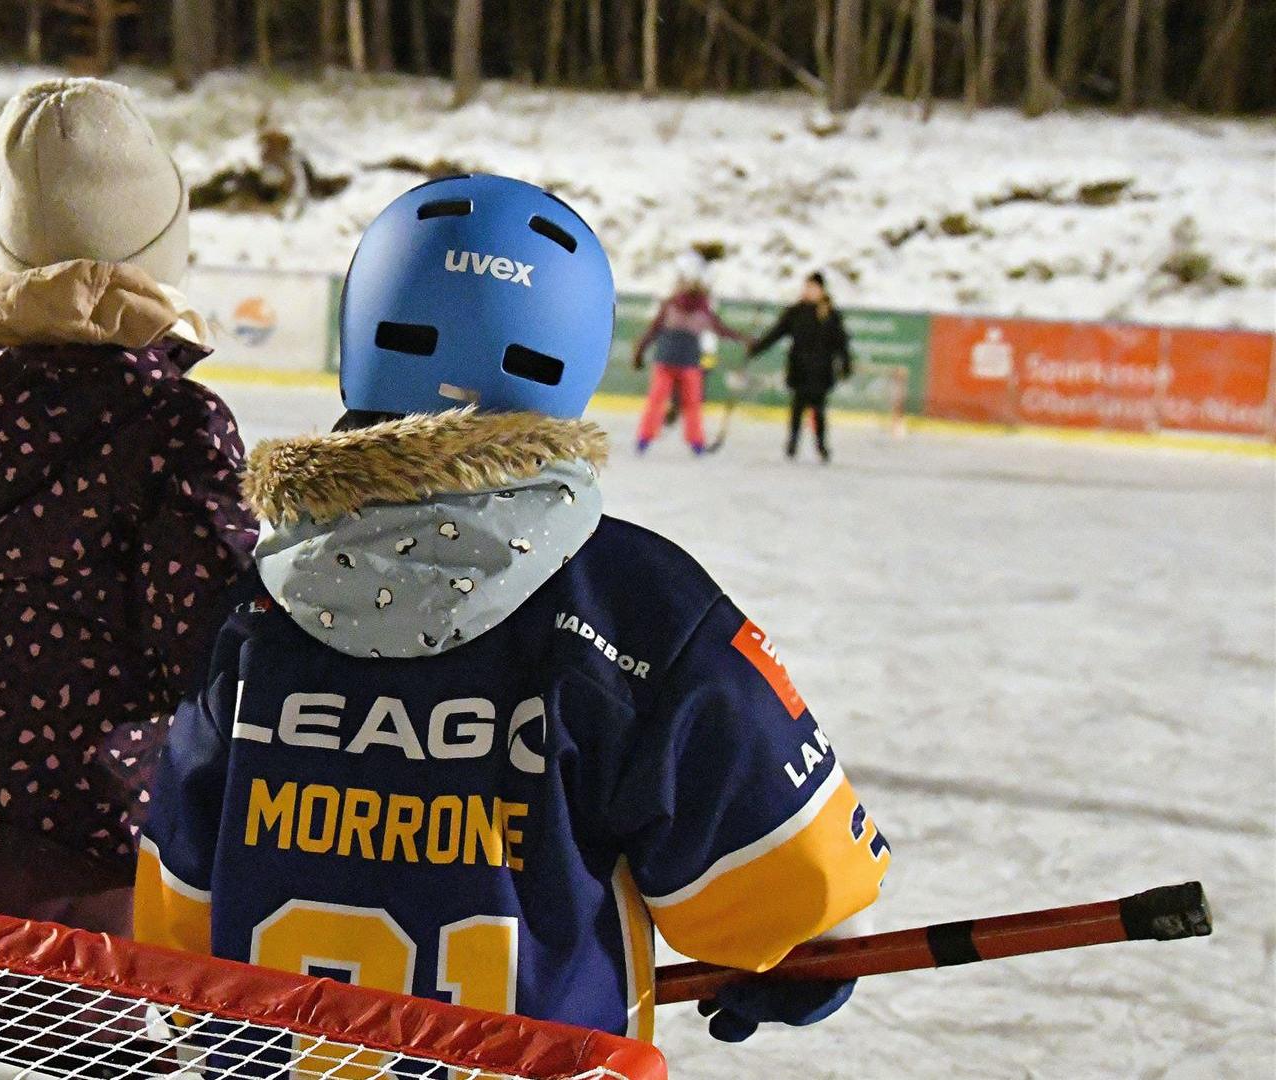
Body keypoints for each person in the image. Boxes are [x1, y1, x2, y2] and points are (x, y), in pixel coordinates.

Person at [135, 174, 891, 1048]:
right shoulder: (638, 609)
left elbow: (178, 924)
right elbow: (805, 911)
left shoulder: (254, 607)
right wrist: (797, 969)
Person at [0, 77, 258, 946]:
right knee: (69, 1034)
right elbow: (211, 644)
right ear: (158, 259)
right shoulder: (170, 425)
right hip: (73, 828)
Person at [631, 252, 748, 454]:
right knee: (687, 403)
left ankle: (648, 439)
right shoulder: (697, 308)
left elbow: (653, 331)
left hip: (674, 360)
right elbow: (721, 330)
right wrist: (745, 339)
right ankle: (692, 442)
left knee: (664, 401)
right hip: (682, 361)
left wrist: (639, 352)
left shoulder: (675, 305)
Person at [749, 271, 853, 462]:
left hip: (821, 370)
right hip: (800, 368)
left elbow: (841, 342)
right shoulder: (796, 312)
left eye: (812, 287)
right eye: (806, 287)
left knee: (818, 410)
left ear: (821, 290)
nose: (808, 291)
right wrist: (757, 348)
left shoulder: (830, 314)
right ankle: (792, 443)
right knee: (797, 407)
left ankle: (821, 446)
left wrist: (846, 364)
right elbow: (777, 333)